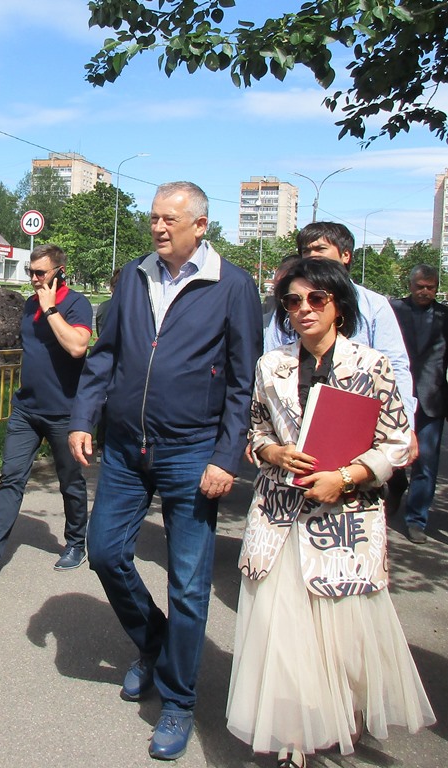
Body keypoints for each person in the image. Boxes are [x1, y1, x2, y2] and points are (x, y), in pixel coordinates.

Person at [68, 181, 263, 761]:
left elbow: (243, 378)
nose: (158, 227)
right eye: (153, 218)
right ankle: (153, 641)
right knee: (103, 551)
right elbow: (105, 354)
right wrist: (85, 416)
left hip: (192, 451)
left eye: (170, 219)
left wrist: (227, 456)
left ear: (200, 225)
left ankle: (178, 700)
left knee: (188, 582)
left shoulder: (232, 286)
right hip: (128, 447)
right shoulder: (132, 275)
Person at [226, 257, 434, 768]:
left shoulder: (370, 365)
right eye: (292, 301)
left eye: (315, 299)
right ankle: (295, 735)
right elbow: (256, 430)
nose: (303, 309)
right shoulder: (270, 365)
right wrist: (271, 453)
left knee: (339, 632)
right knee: (285, 631)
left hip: (344, 520)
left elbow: (395, 445)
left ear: (339, 306)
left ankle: (343, 712)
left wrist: (345, 477)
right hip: (278, 517)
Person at [0, 244, 93, 578]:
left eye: (40, 273)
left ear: (59, 272)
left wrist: (51, 311)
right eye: (30, 272)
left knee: (70, 482)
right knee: (11, 479)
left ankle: (76, 543)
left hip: (65, 412)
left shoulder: (77, 304)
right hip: (26, 409)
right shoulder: (30, 304)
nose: (33, 279)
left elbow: (78, 347)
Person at [264, 222, 416, 432]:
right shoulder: (291, 302)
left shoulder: (374, 305)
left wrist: (404, 424)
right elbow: (271, 362)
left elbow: (396, 367)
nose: (311, 256)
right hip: (294, 425)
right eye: (305, 251)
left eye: (320, 249)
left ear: (345, 255)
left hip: (359, 425)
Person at [388, 264, 448, 543]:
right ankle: (396, 486)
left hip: (431, 398)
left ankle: (416, 519)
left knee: (425, 462)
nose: (425, 291)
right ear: (410, 285)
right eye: (420, 286)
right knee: (391, 456)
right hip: (394, 395)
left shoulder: (444, 316)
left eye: (430, 287)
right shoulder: (393, 310)